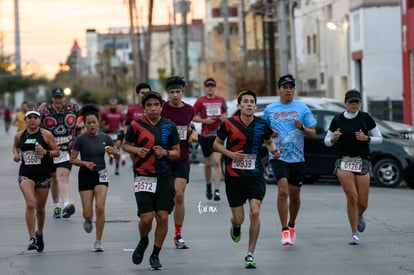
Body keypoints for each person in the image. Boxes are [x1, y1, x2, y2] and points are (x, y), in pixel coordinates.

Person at [214, 90, 280, 268]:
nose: (249, 104)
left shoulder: (262, 124)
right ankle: (235, 226)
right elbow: (216, 144)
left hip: (255, 175)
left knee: (255, 212)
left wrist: (274, 151)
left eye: (252, 102)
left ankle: (250, 254)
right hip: (234, 176)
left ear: (255, 106)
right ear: (239, 105)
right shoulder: (229, 124)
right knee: (239, 219)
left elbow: (268, 141)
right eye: (246, 102)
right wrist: (230, 154)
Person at [122, 91, 180, 270]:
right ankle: (143, 240)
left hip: (164, 176)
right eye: (149, 105)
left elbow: (177, 152)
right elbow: (125, 145)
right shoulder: (136, 125)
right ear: (144, 108)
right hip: (143, 175)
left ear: (161, 106)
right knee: (146, 219)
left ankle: (155, 254)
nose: (153, 108)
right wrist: (136, 150)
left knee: (162, 216)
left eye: (156, 105)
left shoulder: (169, 126)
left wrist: (166, 152)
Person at [263, 74, 316, 246]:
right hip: (278, 156)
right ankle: (284, 230)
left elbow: (313, 133)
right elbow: (263, 131)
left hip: (297, 158)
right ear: (279, 90)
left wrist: (302, 127)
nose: (288, 91)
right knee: (282, 190)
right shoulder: (270, 109)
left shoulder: (302, 108)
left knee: (294, 196)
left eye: (291, 88)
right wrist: (270, 132)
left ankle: (292, 224)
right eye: (285, 87)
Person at [324, 89, 383, 245]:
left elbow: (379, 138)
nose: (354, 105)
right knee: (352, 196)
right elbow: (326, 140)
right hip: (343, 160)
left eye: (356, 102)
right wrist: (334, 138)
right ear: (345, 103)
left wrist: (366, 138)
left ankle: (359, 215)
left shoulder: (365, 118)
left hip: (362, 160)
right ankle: (354, 232)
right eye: (351, 102)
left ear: (360, 103)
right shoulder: (337, 119)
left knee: (362, 202)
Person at [70, 105, 119, 252]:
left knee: (100, 207)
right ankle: (87, 219)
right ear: (85, 124)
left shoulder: (106, 138)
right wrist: (84, 163)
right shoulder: (80, 139)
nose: (92, 125)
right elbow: (72, 160)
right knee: (88, 212)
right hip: (85, 175)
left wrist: (113, 152)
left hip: (101, 174)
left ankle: (98, 241)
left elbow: (114, 154)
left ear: (98, 123)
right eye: (89, 123)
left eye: (94, 122)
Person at [12, 109, 59, 252]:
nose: (32, 120)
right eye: (29, 117)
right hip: (26, 174)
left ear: (40, 120)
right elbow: (15, 147)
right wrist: (16, 154)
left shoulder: (46, 135)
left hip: (43, 175)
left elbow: (57, 151)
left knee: (40, 208)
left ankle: (40, 234)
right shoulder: (20, 135)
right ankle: (32, 238)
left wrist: (46, 152)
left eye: (35, 117)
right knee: (31, 203)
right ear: (25, 120)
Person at [161, 76, 198, 249]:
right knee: (166, 198)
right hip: (164, 157)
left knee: (180, 195)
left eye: (178, 92)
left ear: (183, 93)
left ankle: (178, 234)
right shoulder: (161, 108)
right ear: (168, 94)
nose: (175, 95)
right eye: (171, 92)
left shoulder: (189, 110)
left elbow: (190, 126)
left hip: (182, 158)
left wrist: (193, 133)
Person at [39, 88, 81, 219]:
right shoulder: (44, 111)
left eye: (60, 97)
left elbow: (88, 114)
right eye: (56, 98)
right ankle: (57, 206)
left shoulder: (73, 108)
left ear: (64, 98)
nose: (58, 100)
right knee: (54, 179)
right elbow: (34, 122)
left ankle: (67, 204)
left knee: (62, 176)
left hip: (66, 149)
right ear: (52, 98)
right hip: (50, 149)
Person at [193, 77, 227, 201]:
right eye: (208, 86)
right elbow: (192, 116)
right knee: (208, 164)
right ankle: (208, 185)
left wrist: (224, 117)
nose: (210, 88)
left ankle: (217, 190)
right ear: (205, 88)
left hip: (218, 134)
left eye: (212, 86)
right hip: (205, 135)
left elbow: (225, 113)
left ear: (215, 87)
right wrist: (204, 120)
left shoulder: (221, 100)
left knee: (217, 162)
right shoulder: (200, 101)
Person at [124, 82, 151, 167]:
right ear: (137, 94)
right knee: (138, 168)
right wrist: (127, 136)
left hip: (152, 142)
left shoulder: (154, 108)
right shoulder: (132, 109)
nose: (144, 95)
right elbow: (127, 124)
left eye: (147, 93)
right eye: (142, 93)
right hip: (136, 144)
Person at [100, 98, 124, 175]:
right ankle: (111, 156)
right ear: (110, 105)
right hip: (108, 134)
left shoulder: (120, 113)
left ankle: (117, 168)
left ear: (116, 105)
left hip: (117, 134)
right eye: (112, 105)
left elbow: (123, 123)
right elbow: (100, 123)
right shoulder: (105, 112)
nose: (113, 106)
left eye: (115, 104)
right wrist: (104, 126)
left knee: (117, 151)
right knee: (109, 150)